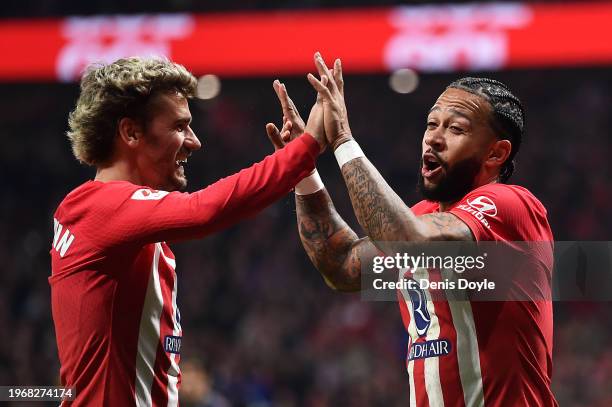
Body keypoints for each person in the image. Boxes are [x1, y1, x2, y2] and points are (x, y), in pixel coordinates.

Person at [267, 52, 557, 406]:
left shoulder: (509, 205)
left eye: (455, 128)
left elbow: (409, 241)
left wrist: (342, 140)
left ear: (496, 154)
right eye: (432, 124)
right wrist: (303, 169)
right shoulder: (422, 216)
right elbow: (341, 265)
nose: (434, 138)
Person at [49, 56, 326, 406]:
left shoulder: (126, 222)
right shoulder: (94, 207)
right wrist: (307, 146)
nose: (194, 142)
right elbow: (204, 210)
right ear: (131, 132)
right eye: (179, 127)